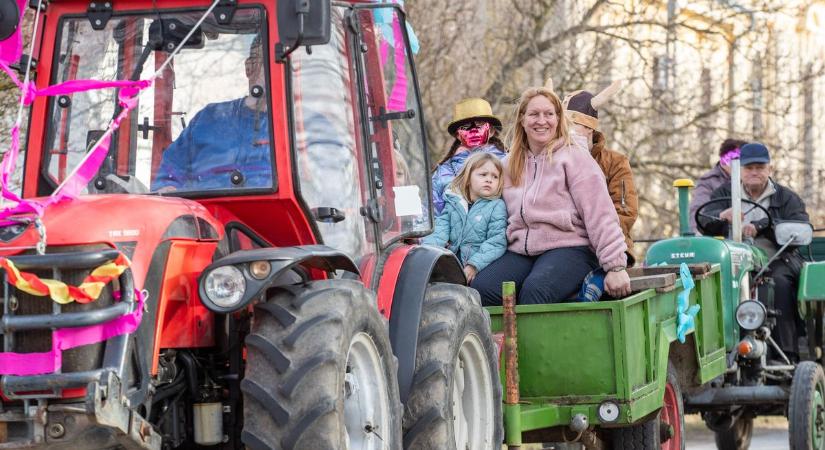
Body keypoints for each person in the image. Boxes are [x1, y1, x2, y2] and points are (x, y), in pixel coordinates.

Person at [470, 79, 631, 306]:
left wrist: (615, 266)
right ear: (522, 120)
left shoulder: (574, 157)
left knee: (535, 292)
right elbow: (482, 205)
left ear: (558, 119)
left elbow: (599, 212)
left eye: (549, 114)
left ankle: (526, 342)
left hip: (569, 246)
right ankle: (498, 342)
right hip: (522, 250)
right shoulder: (508, 164)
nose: (542, 121)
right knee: (481, 290)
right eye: (534, 114)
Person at [702, 142, 809, 358]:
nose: (754, 173)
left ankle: (784, 354)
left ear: (769, 169)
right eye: (749, 168)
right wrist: (723, 216)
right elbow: (704, 220)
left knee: (777, 283)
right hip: (733, 263)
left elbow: (800, 227)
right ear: (739, 170)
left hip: (776, 259)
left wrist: (763, 226)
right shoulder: (724, 193)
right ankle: (715, 351)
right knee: (709, 286)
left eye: (760, 168)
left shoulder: (786, 197)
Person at [153, 35, 272, 191]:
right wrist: (168, 188)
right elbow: (170, 172)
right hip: (206, 212)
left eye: (278, 64)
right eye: (266, 64)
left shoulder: (295, 131)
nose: (273, 73)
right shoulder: (210, 119)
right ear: (248, 68)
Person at [563, 81, 639, 266]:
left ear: (589, 128)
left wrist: (599, 240)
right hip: (565, 248)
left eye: (571, 124)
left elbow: (625, 212)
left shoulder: (615, 162)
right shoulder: (554, 159)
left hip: (610, 247)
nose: (564, 130)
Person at [423, 152, 507, 283]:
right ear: (468, 178)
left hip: (480, 265)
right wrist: (427, 253)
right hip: (453, 263)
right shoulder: (454, 203)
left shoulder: (496, 206)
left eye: (495, 177)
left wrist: (474, 265)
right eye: (483, 174)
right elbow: (440, 230)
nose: (489, 179)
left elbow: (496, 241)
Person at [432, 98, 506, 214]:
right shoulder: (443, 172)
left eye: (479, 125)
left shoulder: (507, 162)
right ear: (457, 134)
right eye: (466, 127)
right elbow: (435, 213)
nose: (473, 131)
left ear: (491, 131)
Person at [688, 138, 747, 232]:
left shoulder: (751, 180)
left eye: (742, 160)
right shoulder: (708, 182)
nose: (737, 163)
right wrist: (698, 236)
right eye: (734, 158)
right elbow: (699, 213)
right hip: (720, 238)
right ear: (723, 159)